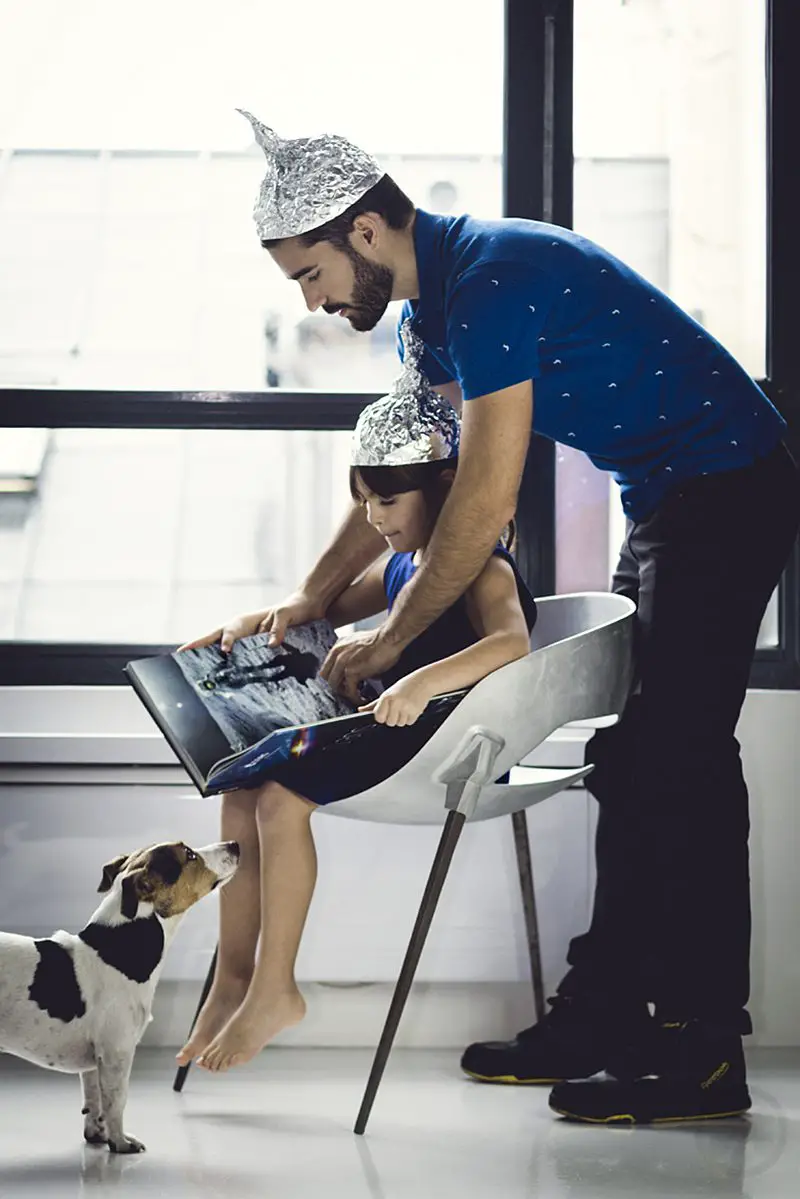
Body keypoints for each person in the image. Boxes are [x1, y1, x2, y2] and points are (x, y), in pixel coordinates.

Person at [229, 111, 800, 1123]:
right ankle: (605, 1009)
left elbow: (482, 504)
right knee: (637, 759)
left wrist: (394, 640)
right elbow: (406, 482)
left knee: (681, 761)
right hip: (666, 492)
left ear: (363, 230)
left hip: (729, 484)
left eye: (306, 274)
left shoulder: (492, 279)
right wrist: (315, 597)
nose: (312, 302)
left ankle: (703, 1047)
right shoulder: (429, 315)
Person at [174, 330, 537, 1073]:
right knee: (241, 782)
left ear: (441, 490)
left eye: (388, 499)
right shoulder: (405, 559)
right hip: (387, 727)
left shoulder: (480, 562)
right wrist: (255, 621)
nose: (374, 518)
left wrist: (416, 680)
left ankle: (277, 986)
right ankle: (237, 976)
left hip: (446, 737)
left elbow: (513, 643)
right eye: (364, 501)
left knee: (280, 796)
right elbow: (328, 607)